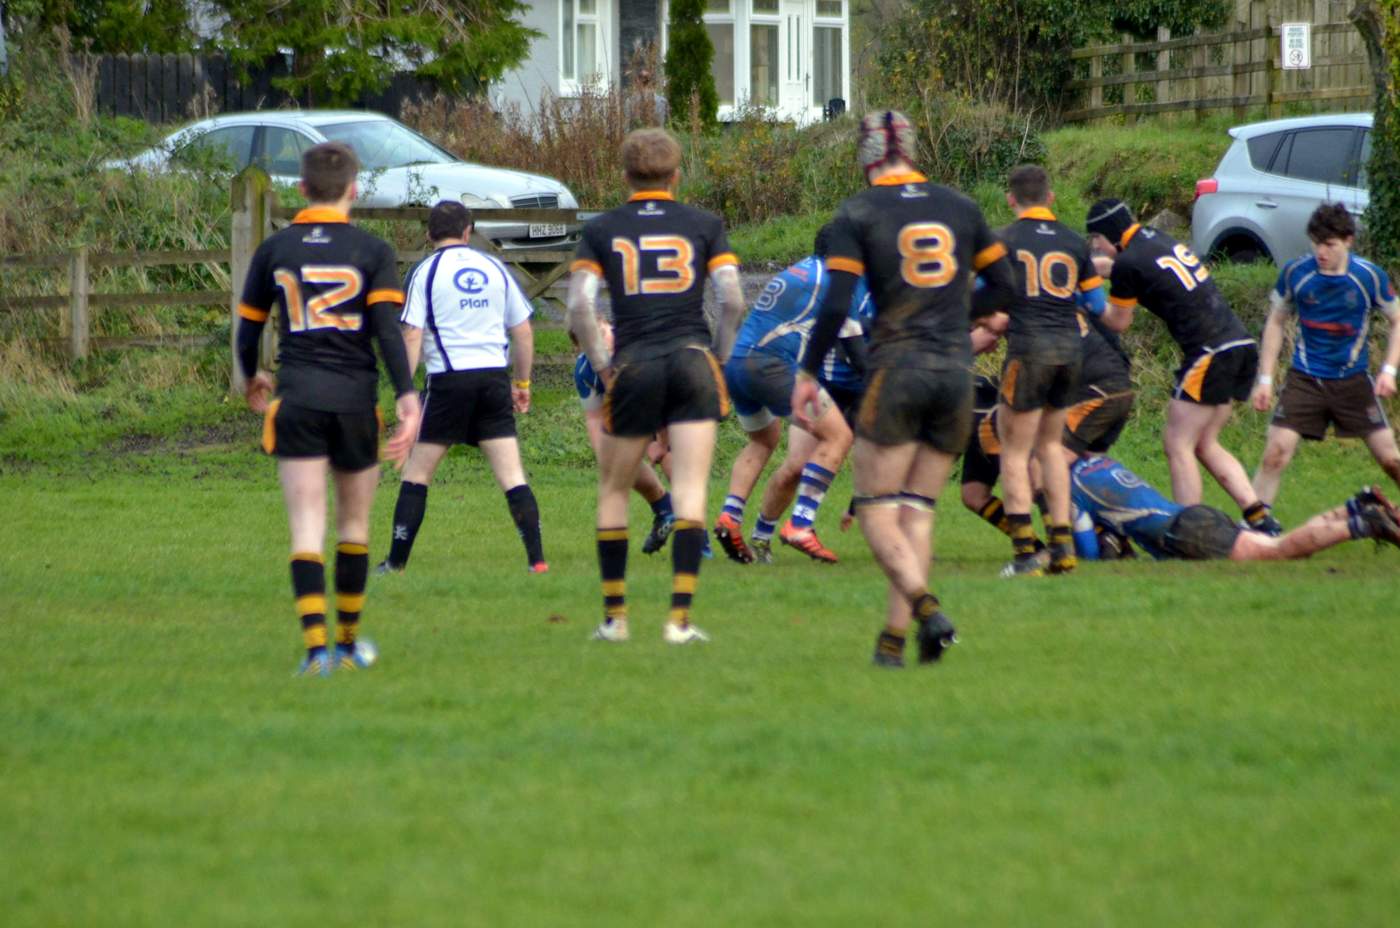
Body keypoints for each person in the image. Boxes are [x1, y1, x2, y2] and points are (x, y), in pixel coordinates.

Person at [791, 109, 1020, 668]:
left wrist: (807, 371)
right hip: (955, 374)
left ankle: (926, 607)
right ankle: (893, 644)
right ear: (914, 151)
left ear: (864, 157)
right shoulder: (961, 206)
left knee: (876, 510)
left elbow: (837, 305)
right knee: (917, 511)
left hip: (897, 370)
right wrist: (955, 313)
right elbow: (1007, 287)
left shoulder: (858, 212)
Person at [236, 141, 421, 676]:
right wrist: (407, 395)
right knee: (354, 525)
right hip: (355, 402)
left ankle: (316, 652)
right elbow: (388, 331)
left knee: (305, 528)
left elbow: (247, 327)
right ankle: (347, 646)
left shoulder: (275, 249)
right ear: (353, 190)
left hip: (297, 399)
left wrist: (251, 375)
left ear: (302, 188)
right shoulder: (372, 250)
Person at [567, 127, 747, 645]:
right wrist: (717, 357)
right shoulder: (705, 224)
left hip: (634, 363)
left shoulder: (602, 229)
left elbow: (579, 306)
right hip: (692, 360)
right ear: (676, 175)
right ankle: (679, 622)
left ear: (625, 176)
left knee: (614, 489)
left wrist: (604, 367)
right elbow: (732, 299)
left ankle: (616, 619)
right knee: (691, 489)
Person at [1086, 198, 1281, 535]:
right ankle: (1259, 518)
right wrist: (1092, 269)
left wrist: (1087, 299)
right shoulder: (1155, 239)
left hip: (1209, 352)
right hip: (1238, 344)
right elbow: (1125, 267)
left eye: (1096, 240)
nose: (1096, 247)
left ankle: (1189, 532)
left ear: (1110, 235)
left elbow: (1119, 322)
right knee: (1204, 443)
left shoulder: (1128, 262)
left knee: (1177, 442)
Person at [374, 201, 546, 575]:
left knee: (417, 473)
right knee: (512, 476)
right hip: (493, 381)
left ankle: (396, 563)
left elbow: (412, 334)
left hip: (449, 382)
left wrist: (405, 390)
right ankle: (537, 562)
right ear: (468, 232)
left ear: (428, 234)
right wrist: (522, 383)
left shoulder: (425, 272)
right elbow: (522, 331)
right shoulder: (494, 267)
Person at [714, 227, 867, 565]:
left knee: (763, 440)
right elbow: (856, 349)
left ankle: (730, 516)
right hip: (771, 367)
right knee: (838, 436)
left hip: (738, 363)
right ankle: (800, 524)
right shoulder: (835, 280)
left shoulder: (799, 269)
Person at [1251, 202, 1400, 507]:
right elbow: (1276, 322)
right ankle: (1254, 525)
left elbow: (1397, 320)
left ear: (1348, 241)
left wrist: (1389, 370)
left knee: (1390, 461)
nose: (1321, 252)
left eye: (1329, 245)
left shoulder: (1368, 276)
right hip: (1305, 378)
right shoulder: (1296, 272)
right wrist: (1265, 379)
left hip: (1353, 380)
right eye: (1316, 243)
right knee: (1274, 454)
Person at [996, 165, 1104, 576]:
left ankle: (1025, 555)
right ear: (1051, 197)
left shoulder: (1004, 239)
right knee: (1051, 447)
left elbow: (986, 294)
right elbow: (1097, 305)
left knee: (1015, 451)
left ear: (1011, 199)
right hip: (1070, 351)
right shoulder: (1075, 242)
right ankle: (1063, 547)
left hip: (1029, 350)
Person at [1070, 455, 1400, 561]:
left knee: (1278, 552)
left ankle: (1367, 523)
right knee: (1280, 544)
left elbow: (1087, 552)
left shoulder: (1069, 489)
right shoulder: (1099, 461)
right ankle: (1355, 507)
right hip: (1191, 518)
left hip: (1186, 534)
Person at [572, 319, 677, 555]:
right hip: (630, 407)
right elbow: (594, 417)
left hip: (666, 396)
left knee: (669, 458)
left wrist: (660, 443)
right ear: (579, 348)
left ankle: (697, 538)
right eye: (589, 342)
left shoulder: (634, 349)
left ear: (609, 325)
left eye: (602, 333)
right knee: (617, 460)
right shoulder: (584, 370)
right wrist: (604, 457)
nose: (599, 343)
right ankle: (665, 510)